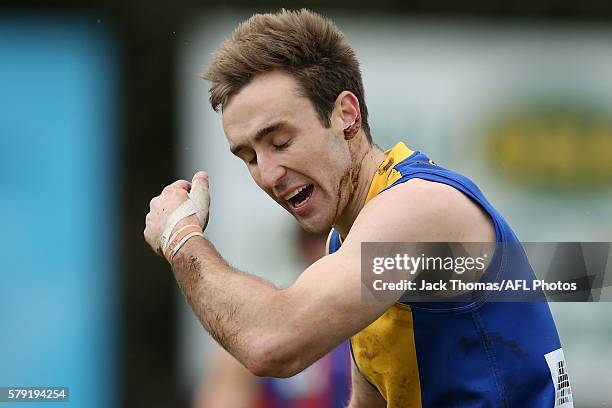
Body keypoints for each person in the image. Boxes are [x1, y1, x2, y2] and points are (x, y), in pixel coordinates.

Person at [144, 9, 572, 407]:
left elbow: (271, 343)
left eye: (280, 142)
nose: (269, 174)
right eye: (250, 157)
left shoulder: (418, 209)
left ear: (345, 114)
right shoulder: (347, 238)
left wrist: (181, 237)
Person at [193, 229, 351, 408]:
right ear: (303, 248)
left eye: (342, 242)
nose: (331, 251)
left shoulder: (381, 301)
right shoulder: (257, 327)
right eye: (319, 240)